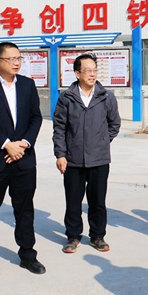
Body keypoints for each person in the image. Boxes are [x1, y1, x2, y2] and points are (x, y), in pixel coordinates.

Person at [0, 42, 44, 281]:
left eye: (19, 58)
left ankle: (27, 255)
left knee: (25, 210)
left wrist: (24, 143)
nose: (16, 62)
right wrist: (6, 144)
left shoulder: (27, 85)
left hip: (24, 159)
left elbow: (35, 117)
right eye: (11, 58)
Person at [53, 53, 121, 253]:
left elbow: (114, 124)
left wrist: (101, 141)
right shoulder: (67, 97)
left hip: (99, 159)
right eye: (88, 70)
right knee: (73, 201)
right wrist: (61, 154)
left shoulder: (106, 97)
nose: (92, 74)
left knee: (98, 201)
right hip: (72, 159)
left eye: (94, 70)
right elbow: (59, 128)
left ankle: (97, 236)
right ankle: (73, 236)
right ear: (77, 73)